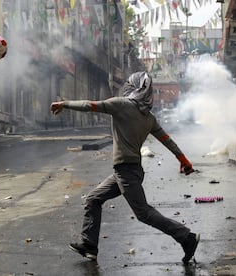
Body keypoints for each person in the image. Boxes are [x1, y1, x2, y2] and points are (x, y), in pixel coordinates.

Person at [50, 71, 199, 265]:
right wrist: (183, 159)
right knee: (93, 199)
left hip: (127, 172)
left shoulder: (121, 104)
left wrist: (65, 103)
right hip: (129, 170)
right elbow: (166, 140)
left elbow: (91, 105)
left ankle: (186, 237)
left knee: (144, 213)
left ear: (134, 87)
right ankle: (89, 246)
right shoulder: (149, 117)